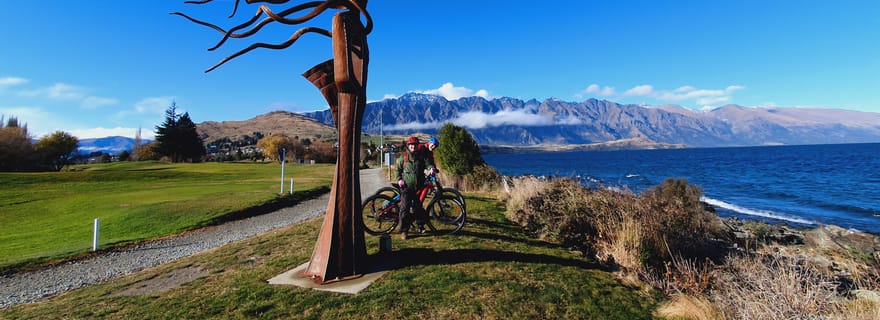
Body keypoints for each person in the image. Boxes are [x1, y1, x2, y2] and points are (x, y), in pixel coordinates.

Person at [396, 136, 435, 239]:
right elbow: (398, 170)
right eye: (411, 145)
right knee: (405, 208)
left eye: (415, 145)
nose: (413, 146)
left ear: (418, 146)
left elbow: (428, 163)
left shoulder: (421, 156)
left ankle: (420, 226)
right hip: (407, 188)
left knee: (418, 207)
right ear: (408, 146)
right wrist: (399, 179)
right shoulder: (403, 157)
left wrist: (431, 169)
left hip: (418, 187)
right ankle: (404, 231)